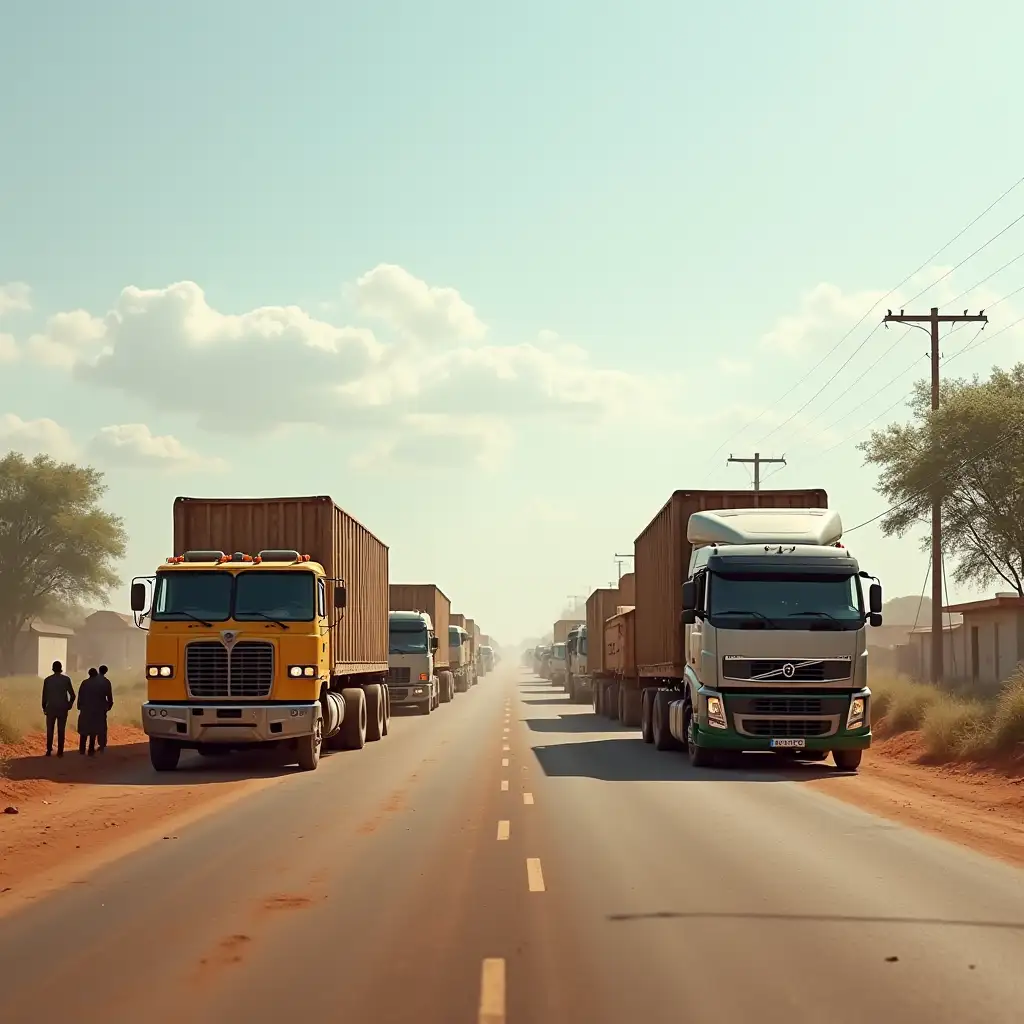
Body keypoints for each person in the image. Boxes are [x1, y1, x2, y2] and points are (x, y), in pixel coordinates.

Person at [41, 660, 76, 758]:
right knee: (61, 730)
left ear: (53, 668)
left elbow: (44, 696)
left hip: (51, 707)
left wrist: (44, 706)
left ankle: (49, 750)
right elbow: (73, 695)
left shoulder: (47, 680)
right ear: (61, 669)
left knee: (50, 730)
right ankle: (60, 751)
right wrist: (69, 705)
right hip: (62, 707)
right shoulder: (66, 680)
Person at [76, 667, 109, 757]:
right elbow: (107, 697)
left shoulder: (84, 683)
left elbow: (80, 695)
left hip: (85, 709)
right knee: (93, 731)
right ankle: (91, 749)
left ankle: (82, 749)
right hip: (97, 710)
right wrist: (106, 707)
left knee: (84, 730)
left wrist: (79, 706)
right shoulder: (102, 684)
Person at [96, 665, 114, 751]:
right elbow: (109, 696)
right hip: (102, 706)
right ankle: (102, 744)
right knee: (102, 725)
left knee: (92, 724)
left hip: (92, 705)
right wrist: (109, 705)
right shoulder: (106, 682)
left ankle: (91, 744)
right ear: (105, 672)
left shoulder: (92, 680)